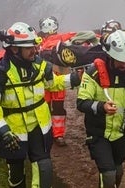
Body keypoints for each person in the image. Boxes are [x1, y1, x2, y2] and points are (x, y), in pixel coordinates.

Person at [0, 22, 81, 188]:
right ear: (14, 49)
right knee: (17, 174)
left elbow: (53, 84)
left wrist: (75, 79)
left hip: (39, 128)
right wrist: (3, 131)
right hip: (13, 133)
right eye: (29, 47)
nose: (34, 50)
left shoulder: (39, 65)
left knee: (44, 168)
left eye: (34, 45)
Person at [76, 29, 125, 188]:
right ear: (110, 56)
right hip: (98, 131)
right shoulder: (93, 73)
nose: (124, 65)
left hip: (122, 131)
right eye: (120, 61)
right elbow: (81, 103)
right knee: (108, 174)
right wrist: (102, 107)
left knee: (117, 171)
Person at [38, 16, 75, 146]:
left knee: (58, 107)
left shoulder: (61, 39)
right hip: (43, 79)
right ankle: (47, 132)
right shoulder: (37, 41)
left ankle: (57, 134)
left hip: (59, 77)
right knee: (45, 106)